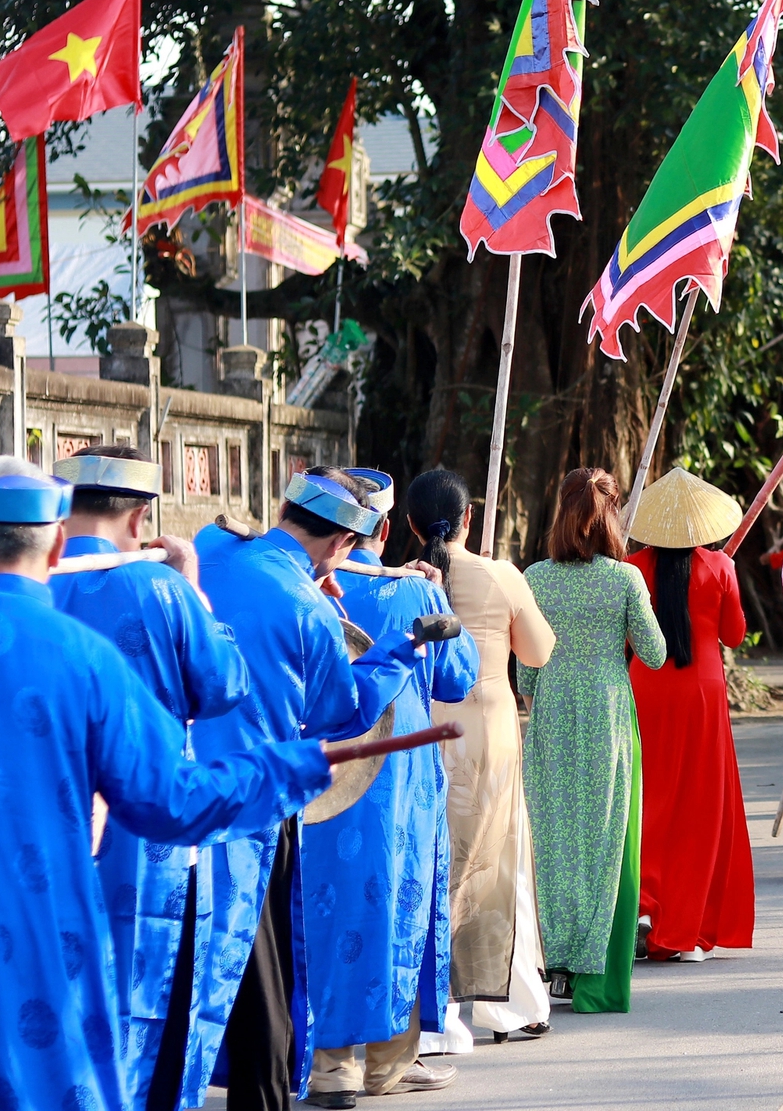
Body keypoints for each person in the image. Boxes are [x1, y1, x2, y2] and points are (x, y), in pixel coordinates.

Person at [0, 459, 332, 1111]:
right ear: (54, 542)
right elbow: (172, 799)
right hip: (50, 929)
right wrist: (287, 768)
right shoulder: (86, 656)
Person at [192, 467, 426, 1111]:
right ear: (341, 546)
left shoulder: (211, 550)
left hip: (169, 788)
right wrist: (397, 652)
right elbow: (342, 713)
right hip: (257, 800)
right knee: (262, 970)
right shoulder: (309, 609)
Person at [50, 446, 250, 1111]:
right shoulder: (161, 589)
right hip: (150, 827)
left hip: (59, 824)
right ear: (140, 516)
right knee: (159, 996)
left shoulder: (37, 585)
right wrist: (191, 583)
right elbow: (224, 685)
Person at [305, 471, 480, 1109]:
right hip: (398, 782)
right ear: (382, 529)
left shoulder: (302, 584)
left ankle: (329, 1069)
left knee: (322, 915)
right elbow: (458, 678)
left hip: (316, 778)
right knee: (396, 914)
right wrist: (439, 597)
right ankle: (385, 1064)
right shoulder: (410, 592)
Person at [412, 470, 557, 1044]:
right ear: (468, 518)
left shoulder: (405, 582)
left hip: (427, 730)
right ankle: (508, 1006)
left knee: (433, 861)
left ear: (411, 525)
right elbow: (540, 652)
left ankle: (433, 1006)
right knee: (501, 863)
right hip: (489, 730)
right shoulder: (500, 576)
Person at [520, 468, 661, 1010]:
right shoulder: (625, 580)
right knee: (606, 841)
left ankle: (556, 962)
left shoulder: (535, 578)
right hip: (606, 712)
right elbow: (654, 652)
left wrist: (540, 692)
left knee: (555, 841)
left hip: (554, 708)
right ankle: (592, 968)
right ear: (610, 517)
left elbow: (525, 672)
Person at [625, 468, 754, 961]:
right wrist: (720, 581)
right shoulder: (721, 566)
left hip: (647, 690)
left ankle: (642, 904)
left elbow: (626, 638)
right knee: (700, 807)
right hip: (702, 694)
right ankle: (688, 927)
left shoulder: (632, 566)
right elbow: (735, 635)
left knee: (647, 798)